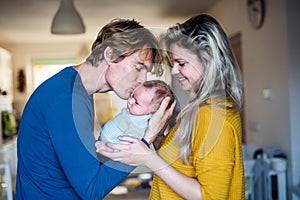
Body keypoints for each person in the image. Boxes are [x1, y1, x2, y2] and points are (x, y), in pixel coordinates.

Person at [15, 18, 174, 199]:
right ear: (110, 54)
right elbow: (92, 190)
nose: (142, 80)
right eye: (138, 67)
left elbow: (82, 162)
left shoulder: (78, 91)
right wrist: (145, 140)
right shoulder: (67, 99)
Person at [96, 14, 244, 199]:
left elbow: (211, 196)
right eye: (173, 63)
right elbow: (183, 163)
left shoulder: (212, 116)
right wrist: (158, 137)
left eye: (181, 63)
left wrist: (149, 159)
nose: (174, 71)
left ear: (209, 61)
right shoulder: (201, 110)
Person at [100, 80, 175, 145]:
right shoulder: (136, 115)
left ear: (153, 112)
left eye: (136, 103)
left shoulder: (140, 124)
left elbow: (129, 145)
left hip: (113, 149)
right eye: (132, 96)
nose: (130, 101)